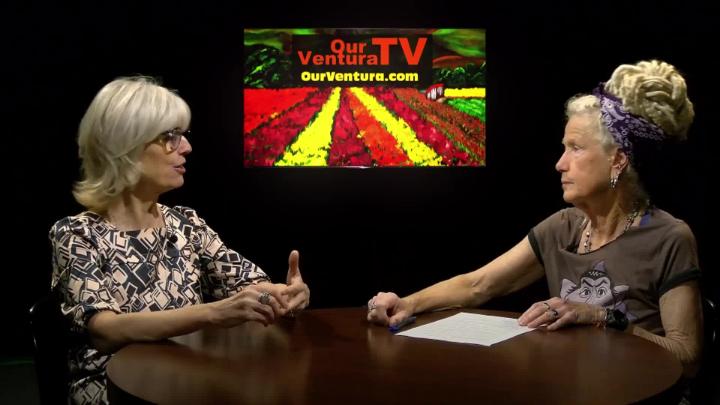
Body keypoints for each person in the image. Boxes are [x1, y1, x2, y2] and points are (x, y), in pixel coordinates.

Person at [367, 60, 702, 377]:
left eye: (576, 148)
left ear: (617, 161)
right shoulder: (563, 227)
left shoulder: (669, 237)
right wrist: (408, 303)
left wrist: (603, 317)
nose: (560, 164)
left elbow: (687, 357)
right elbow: (477, 285)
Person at [49, 76, 311, 404]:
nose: (186, 147)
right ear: (125, 146)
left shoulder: (185, 223)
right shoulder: (76, 234)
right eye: (170, 137)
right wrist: (213, 313)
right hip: (114, 391)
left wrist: (284, 295)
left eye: (183, 135)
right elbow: (105, 331)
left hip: (186, 380)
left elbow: (248, 285)